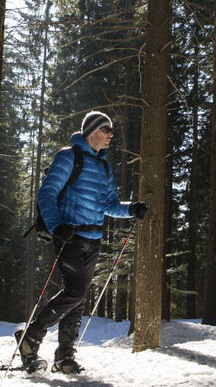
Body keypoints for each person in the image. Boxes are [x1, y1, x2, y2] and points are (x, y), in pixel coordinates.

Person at [16, 110, 148, 374]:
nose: (111, 135)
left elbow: (109, 204)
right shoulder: (68, 156)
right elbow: (47, 193)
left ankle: (65, 356)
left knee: (78, 297)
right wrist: (57, 226)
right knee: (75, 292)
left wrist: (131, 208)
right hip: (70, 237)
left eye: (111, 130)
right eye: (106, 129)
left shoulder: (104, 165)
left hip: (94, 239)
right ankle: (31, 336)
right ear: (92, 132)